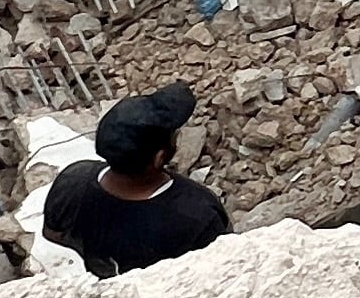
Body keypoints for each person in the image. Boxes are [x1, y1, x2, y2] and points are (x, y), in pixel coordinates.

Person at [42, 85, 236, 276]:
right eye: (174, 135)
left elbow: (53, 234)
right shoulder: (198, 214)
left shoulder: (72, 181)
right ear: (159, 158)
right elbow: (223, 266)